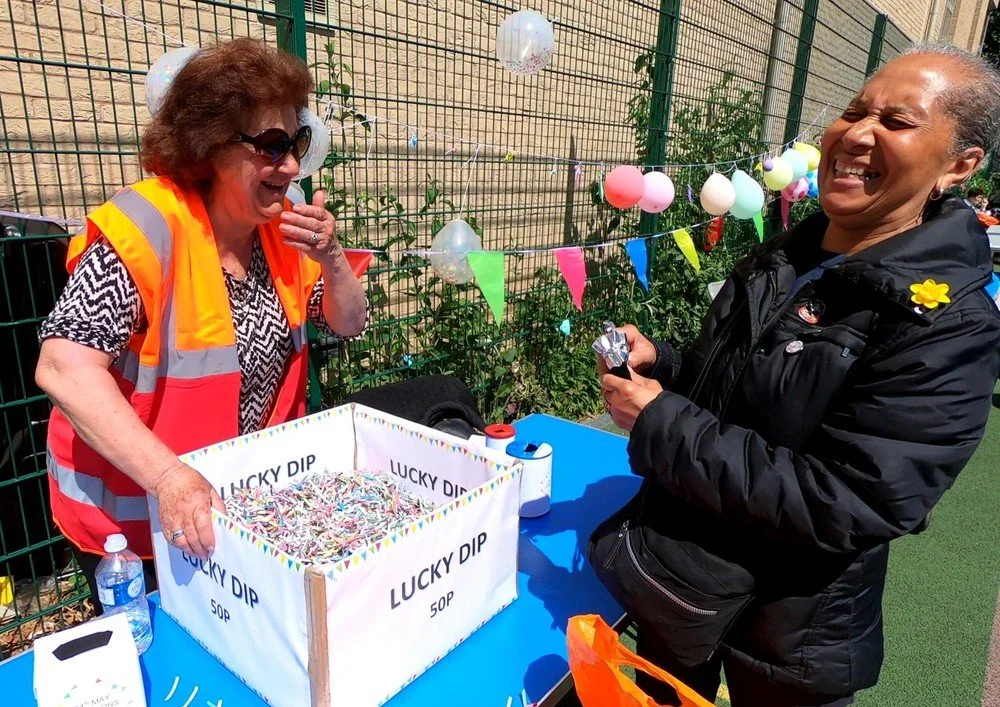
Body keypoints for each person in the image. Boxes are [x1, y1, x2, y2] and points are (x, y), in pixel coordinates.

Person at [592, 45, 1000, 706]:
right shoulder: (788, 252)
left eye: (896, 122)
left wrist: (663, 419)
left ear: (959, 164)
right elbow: (734, 382)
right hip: (683, 581)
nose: (858, 134)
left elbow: (849, 498)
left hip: (789, 638)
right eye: (854, 111)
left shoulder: (949, 322)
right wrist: (662, 363)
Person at [35, 38, 368, 607]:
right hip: (135, 530)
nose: (290, 165)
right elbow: (64, 368)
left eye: (298, 142)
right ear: (210, 147)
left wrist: (333, 259)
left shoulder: (282, 231)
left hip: (233, 510)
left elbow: (348, 322)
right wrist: (169, 479)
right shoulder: (148, 227)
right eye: (271, 145)